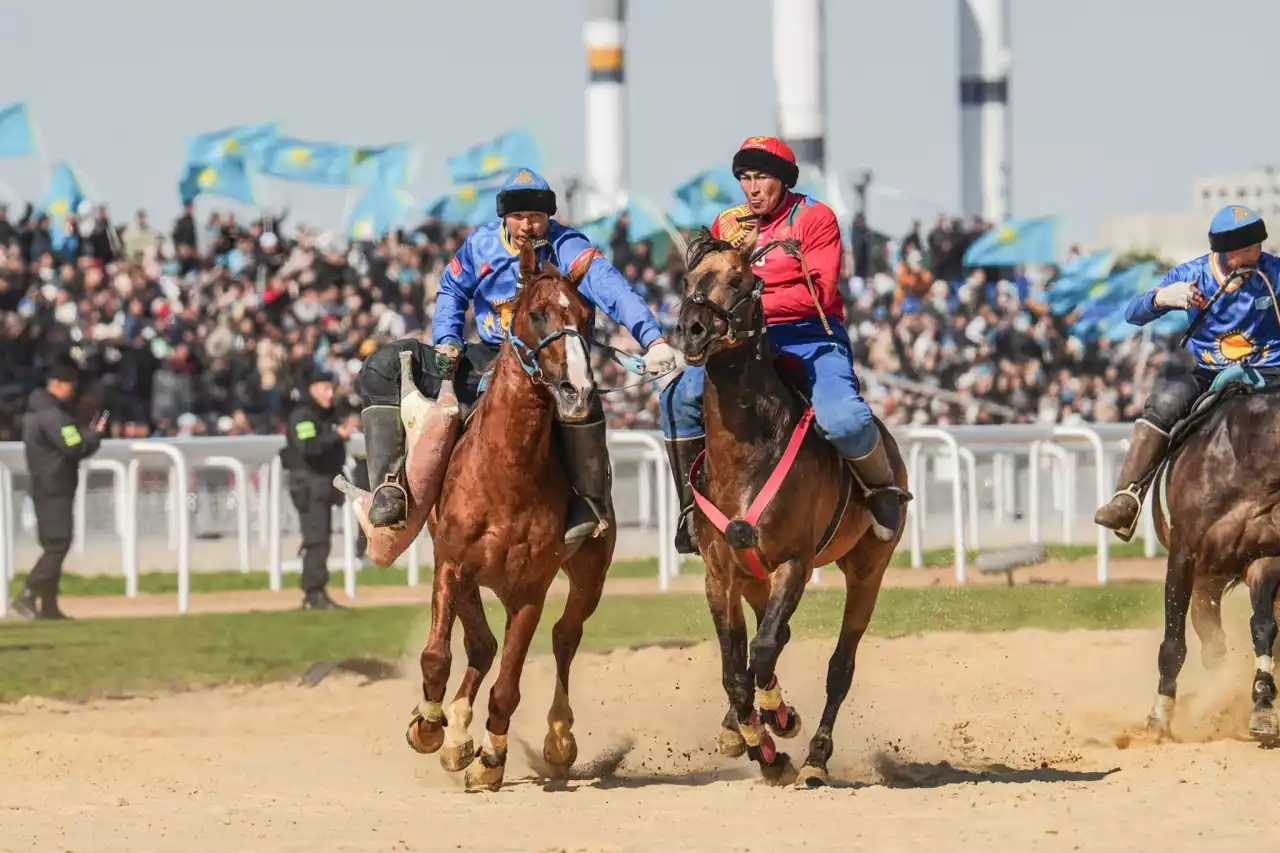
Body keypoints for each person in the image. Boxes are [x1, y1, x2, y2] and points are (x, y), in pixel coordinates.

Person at [358, 168, 678, 543]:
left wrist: (653, 340)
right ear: (504, 218)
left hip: (552, 361)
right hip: (487, 355)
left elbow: (615, 291)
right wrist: (447, 339)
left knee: (582, 399)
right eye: (519, 217)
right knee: (382, 366)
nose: (528, 226)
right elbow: (451, 291)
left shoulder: (570, 248)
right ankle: (389, 486)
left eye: (537, 218)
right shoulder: (480, 247)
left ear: (549, 218)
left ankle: (588, 503)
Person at [660, 136, 908, 553]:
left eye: (761, 178)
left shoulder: (815, 218)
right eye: (745, 178)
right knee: (677, 399)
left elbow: (822, 292)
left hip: (810, 337)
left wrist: (752, 296)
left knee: (844, 419)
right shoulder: (727, 223)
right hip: (741, 343)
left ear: (784, 180)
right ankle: (690, 511)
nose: (752, 188)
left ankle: (882, 490)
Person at [1095, 205, 1280, 540]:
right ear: (1224, 252)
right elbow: (1132, 314)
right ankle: (1128, 498)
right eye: (1246, 251)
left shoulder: (1275, 272)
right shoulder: (1190, 275)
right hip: (1211, 373)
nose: (1256, 256)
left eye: (1258, 247)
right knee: (1164, 402)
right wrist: (1161, 298)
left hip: (1273, 371)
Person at [10, 362, 108, 620]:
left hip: (44, 484)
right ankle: (28, 594)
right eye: (71, 386)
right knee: (59, 544)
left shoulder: (36, 412)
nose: (73, 392)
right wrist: (95, 435)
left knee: (52, 543)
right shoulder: (54, 415)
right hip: (56, 486)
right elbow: (74, 446)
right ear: (58, 385)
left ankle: (49, 606)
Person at [281, 369, 350, 610]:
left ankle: (316, 592)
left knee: (321, 539)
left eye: (332, 389)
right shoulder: (304, 416)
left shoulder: (324, 415)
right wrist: (336, 436)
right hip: (308, 485)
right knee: (317, 540)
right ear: (312, 389)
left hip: (321, 484)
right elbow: (308, 447)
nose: (330, 394)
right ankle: (314, 593)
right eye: (325, 388)